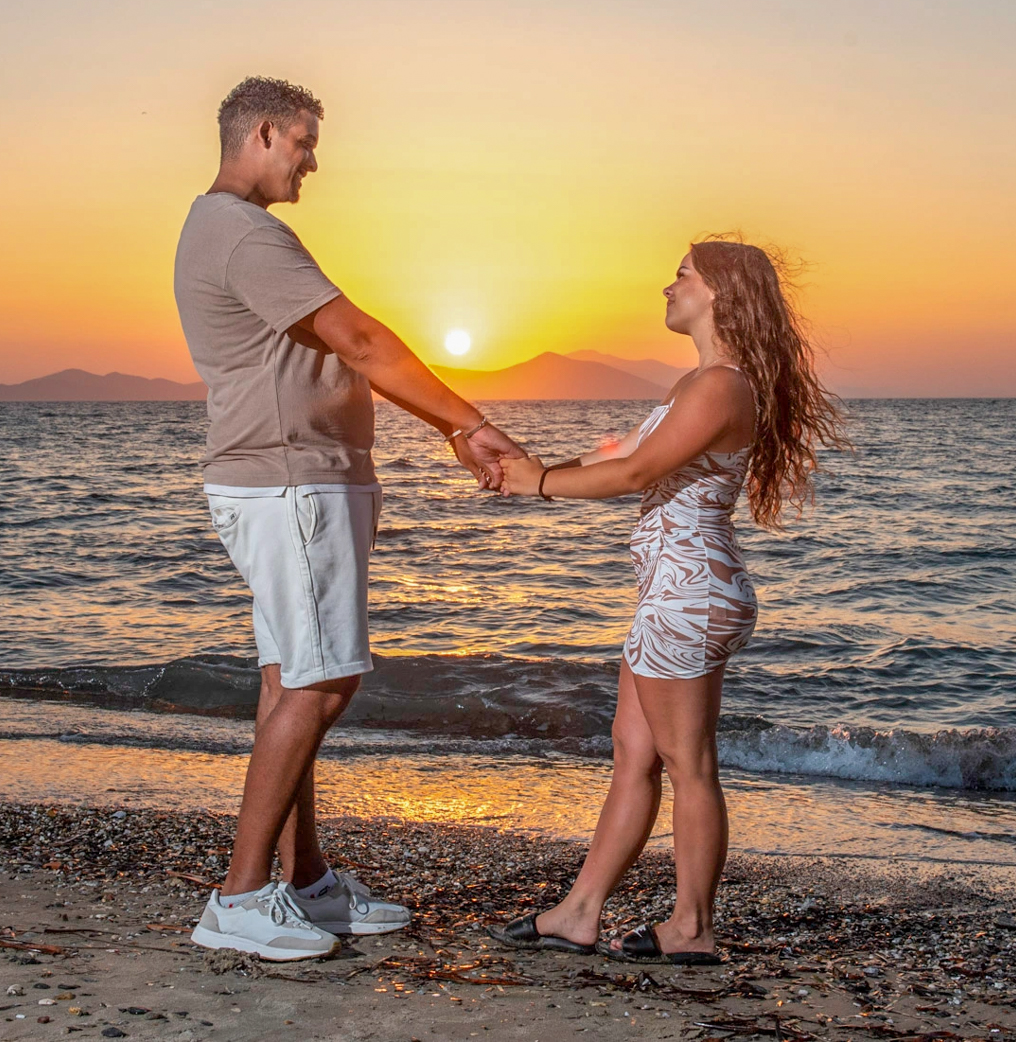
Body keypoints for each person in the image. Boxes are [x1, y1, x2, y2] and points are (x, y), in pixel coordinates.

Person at [174, 77, 525, 961]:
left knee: (293, 678)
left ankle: (305, 881)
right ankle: (239, 897)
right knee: (323, 682)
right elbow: (360, 340)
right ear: (260, 133)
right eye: (302, 141)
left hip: (293, 478)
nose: (313, 159)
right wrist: (468, 422)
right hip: (291, 482)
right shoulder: (243, 233)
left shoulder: (226, 230)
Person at [490, 238, 845, 964]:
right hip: (675, 593)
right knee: (633, 753)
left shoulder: (720, 385)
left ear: (719, 291)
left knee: (689, 765)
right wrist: (533, 463)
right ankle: (579, 913)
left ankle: (693, 928)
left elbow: (638, 472)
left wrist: (540, 485)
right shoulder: (703, 384)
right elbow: (628, 460)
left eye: (682, 274)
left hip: (688, 594)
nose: (667, 285)